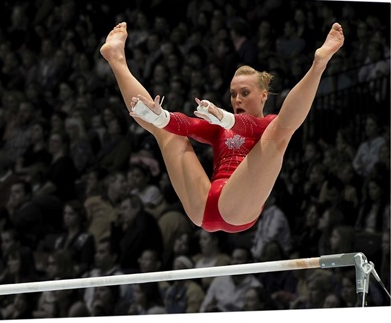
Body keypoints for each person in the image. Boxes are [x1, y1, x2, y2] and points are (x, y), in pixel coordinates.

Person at [100, 21, 344, 234]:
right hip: (203, 206)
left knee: (279, 132)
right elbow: (190, 125)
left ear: (263, 95)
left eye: (245, 93)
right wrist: (161, 116)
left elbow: (250, 126)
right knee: (168, 133)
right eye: (233, 93)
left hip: (238, 210)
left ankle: (318, 65)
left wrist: (227, 119)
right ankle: (116, 59)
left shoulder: (267, 124)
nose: (237, 99)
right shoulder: (220, 128)